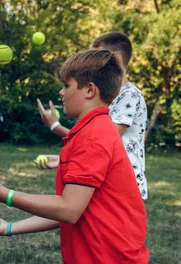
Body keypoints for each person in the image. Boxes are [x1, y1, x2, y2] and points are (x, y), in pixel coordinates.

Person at [0, 49, 149, 264]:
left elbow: (69, 210)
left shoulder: (94, 136)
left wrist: (4, 194)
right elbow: (72, 209)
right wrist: (8, 228)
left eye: (66, 85)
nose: (61, 93)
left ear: (89, 90)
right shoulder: (92, 130)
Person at [37, 32, 148, 200]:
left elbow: (102, 140)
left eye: (99, 55)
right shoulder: (106, 95)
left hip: (124, 183)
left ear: (116, 58)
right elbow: (94, 145)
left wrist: (55, 126)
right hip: (105, 175)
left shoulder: (130, 95)